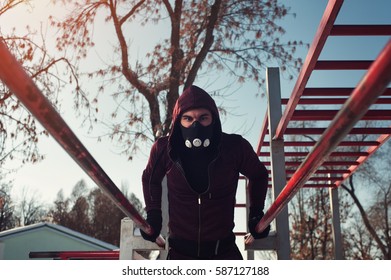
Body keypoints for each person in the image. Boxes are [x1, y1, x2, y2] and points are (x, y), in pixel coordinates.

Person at [141, 85, 270, 260]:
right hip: (180, 254)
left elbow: (259, 174)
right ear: (178, 121)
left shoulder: (234, 147)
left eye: (203, 118)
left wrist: (256, 213)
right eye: (188, 119)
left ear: (213, 119)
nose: (196, 125)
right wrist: (153, 214)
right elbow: (150, 178)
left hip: (223, 252)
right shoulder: (164, 149)